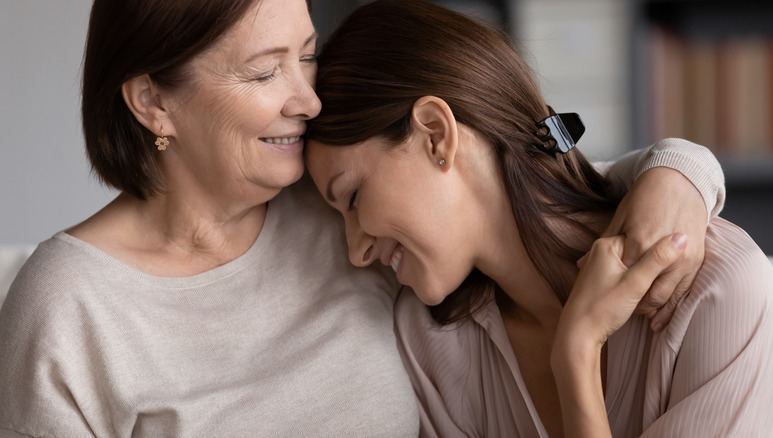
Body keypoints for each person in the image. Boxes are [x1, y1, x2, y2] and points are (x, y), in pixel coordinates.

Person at [0, 0, 725, 435]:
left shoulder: (335, 210)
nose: (309, 100)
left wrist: (681, 170)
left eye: (307, 56)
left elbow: (519, 179)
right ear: (154, 102)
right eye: (265, 71)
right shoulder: (68, 307)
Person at [305, 1, 773, 437]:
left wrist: (576, 357)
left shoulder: (720, 295)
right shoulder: (431, 344)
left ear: (435, 134)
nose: (356, 251)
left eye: (352, 198)